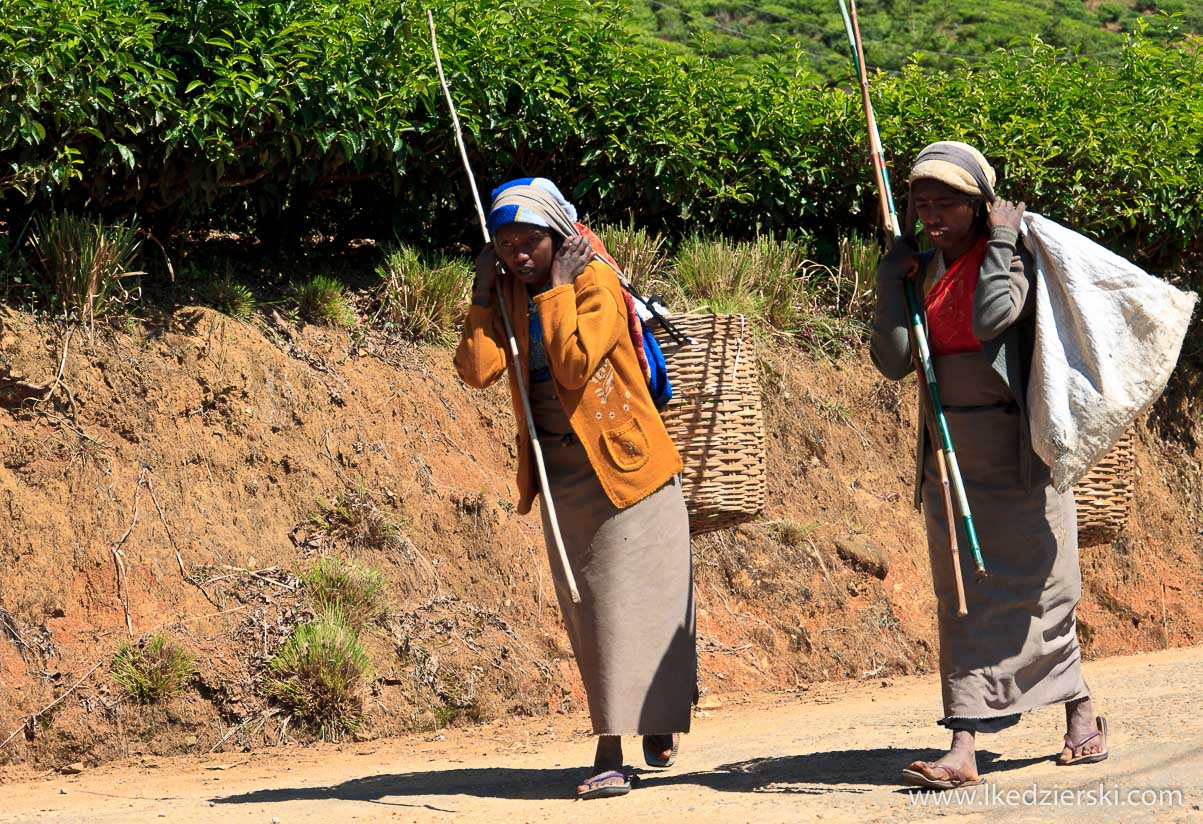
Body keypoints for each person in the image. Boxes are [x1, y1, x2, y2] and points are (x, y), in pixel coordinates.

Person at [870, 142, 1108, 790]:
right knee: (963, 598)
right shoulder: (915, 269)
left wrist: (1001, 242)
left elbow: (990, 317)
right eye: (921, 203)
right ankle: (963, 744)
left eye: (945, 203)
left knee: (1042, 594)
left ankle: (1079, 711)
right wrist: (889, 285)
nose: (930, 215)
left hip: (1017, 455)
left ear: (979, 206)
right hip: (949, 453)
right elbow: (892, 361)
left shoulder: (1013, 257)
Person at [453, 178, 696, 800]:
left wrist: (557, 285)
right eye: (504, 244)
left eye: (529, 240)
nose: (517, 254)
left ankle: (616, 745)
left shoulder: (595, 280)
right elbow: (477, 371)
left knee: (640, 607)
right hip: (562, 474)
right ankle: (636, 722)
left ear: (558, 235)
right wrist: (483, 296)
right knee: (593, 613)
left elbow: (570, 364)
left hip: (628, 467)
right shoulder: (505, 288)